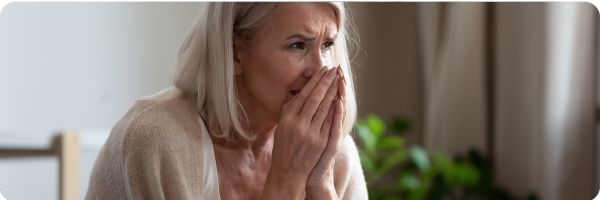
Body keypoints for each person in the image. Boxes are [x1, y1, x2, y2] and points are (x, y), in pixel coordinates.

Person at [85, 2, 367, 199]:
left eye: (327, 44)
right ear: (234, 53)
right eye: (298, 45)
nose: (321, 69)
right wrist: (287, 180)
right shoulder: (156, 142)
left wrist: (321, 184)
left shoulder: (334, 152)